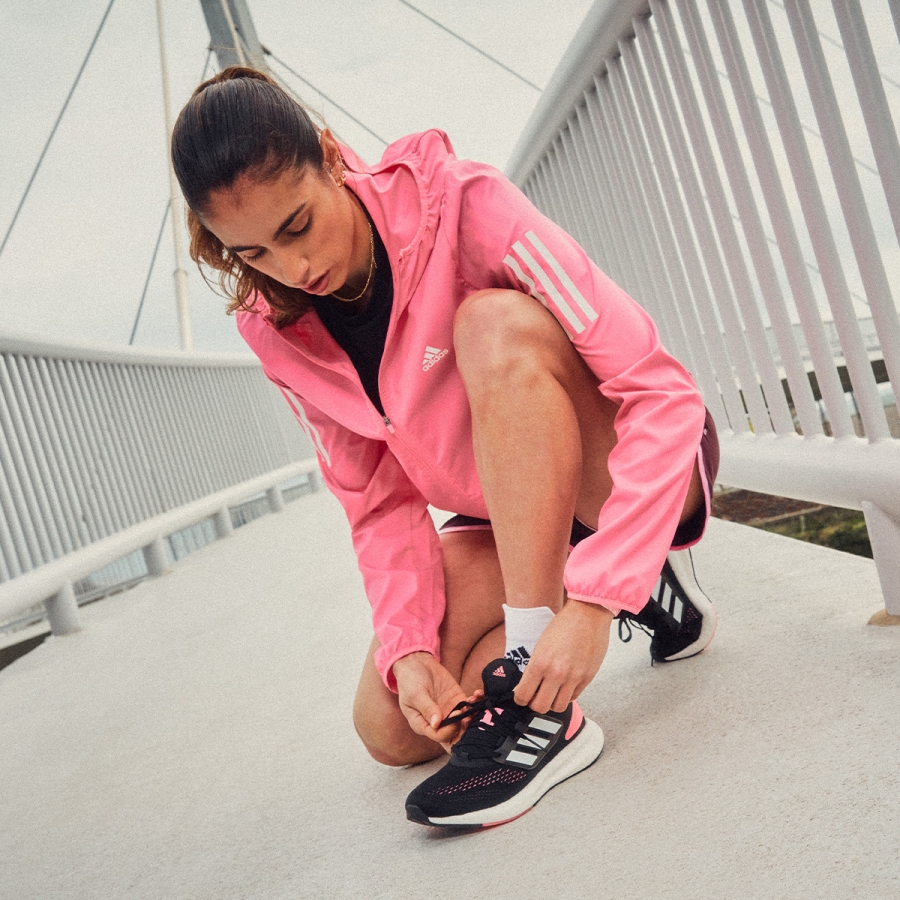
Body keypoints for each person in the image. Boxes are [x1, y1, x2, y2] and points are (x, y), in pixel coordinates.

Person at [171, 66, 719, 829]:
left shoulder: (466, 206)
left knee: (488, 325)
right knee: (392, 728)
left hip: (617, 465)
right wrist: (408, 651)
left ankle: (556, 672)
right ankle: (646, 591)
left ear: (331, 155)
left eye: (296, 226)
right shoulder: (279, 331)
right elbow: (375, 503)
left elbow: (661, 392)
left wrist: (593, 606)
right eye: (253, 253)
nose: (292, 269)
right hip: (506, 516)